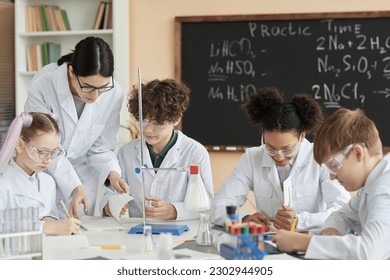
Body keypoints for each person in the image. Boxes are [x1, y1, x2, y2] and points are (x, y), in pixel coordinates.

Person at [210, 87, 350, 232]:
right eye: (270, 148)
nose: (279, 156)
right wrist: (243, 218)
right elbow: (217, 208)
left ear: (302, 135)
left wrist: (300, 221)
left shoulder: (321, 156)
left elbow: (343, 211)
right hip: (268, 242)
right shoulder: (252, 158)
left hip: (308, 243)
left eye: (287, 149)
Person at [24, 37, 129, 218]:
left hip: (83, 174)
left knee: (79, 238)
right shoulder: (44, 84)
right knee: (44, 230)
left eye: (102, 87)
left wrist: (113, 174)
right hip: (44, 169)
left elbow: (101, 147)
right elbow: (44, 147)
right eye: (88, 87)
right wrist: (73, 186)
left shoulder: (114, 93)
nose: (95, 95)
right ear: (72, 72)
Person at [272, 108, 390, 259]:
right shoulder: (371, 185)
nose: (332, 177)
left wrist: (305, 243)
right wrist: (331, 230)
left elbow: (367, 252)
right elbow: (342, 216)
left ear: (358, 153)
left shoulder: (385, 188)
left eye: (333, 166)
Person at [100, 79, 213, 220]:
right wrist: (109, 206)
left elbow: (207, 205)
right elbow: (110, 193)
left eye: (157, 123)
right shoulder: (126, 152)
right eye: (143, 120)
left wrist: (174, 211)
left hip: (181, 233)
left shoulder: (195, 153)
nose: (147, 129)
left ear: (176, 119)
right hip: (138, 233)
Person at [0, 112, 82, 235]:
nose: (48, 159)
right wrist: (47, 227)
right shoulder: (3, 182)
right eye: (42, 152)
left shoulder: (48, 182)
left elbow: (48, 215)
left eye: (53, 152)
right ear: (20, 145)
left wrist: (51, 221)